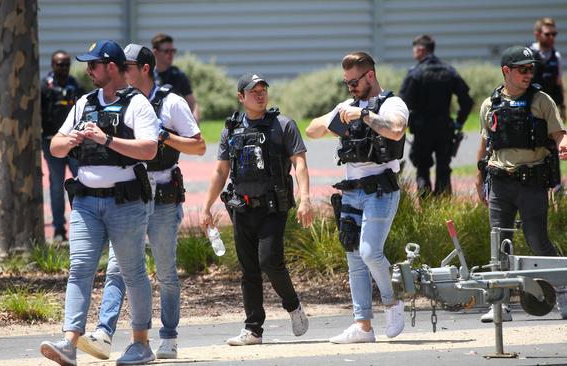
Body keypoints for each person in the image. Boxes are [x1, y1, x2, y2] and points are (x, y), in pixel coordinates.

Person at [76, 44, 205, 360]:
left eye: (127, 66)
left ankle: (169, 336)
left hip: (162, 197)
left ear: (144, 69)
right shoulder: (118, 102)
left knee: (165, 273)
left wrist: (165, 138)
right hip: (129, 196)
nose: (121, 70)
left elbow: (199, 147)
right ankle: (104, 333)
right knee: (117, 268)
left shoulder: (171, 102)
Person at [38, 40, 159, 366]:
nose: (88, 70)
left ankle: (140, 344)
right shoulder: (83, 103)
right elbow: (56, 147)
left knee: (132, 273)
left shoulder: (137, 104)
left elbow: (149, 149)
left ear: (112, 67)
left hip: (126, 203)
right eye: (88, 64)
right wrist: (73, 138)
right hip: (86, 203)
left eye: (94, 64)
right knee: (79, 269)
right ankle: (69, 343)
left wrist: (105, 138)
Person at [199, 73, 314, 346]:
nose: (260, 95)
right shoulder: (231, 129)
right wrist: (206, 206)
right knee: (249, 270)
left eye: (263, 90)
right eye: (253, 91)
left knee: (269, 262)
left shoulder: (283, 125)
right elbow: (220, 170)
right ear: (241, 97)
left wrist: (306, 198)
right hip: (242, 208)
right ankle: (253, 330)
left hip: (274, 207)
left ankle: (293, 306)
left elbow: (299, 163)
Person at [306, 52, 408, 343]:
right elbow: (312, 130)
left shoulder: (392, 104)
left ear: (370, 76)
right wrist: (337, 118)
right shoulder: (346, 105)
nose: (350, 87)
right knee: (354, 258)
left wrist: (364, 115)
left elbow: (397, 130)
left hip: (380, 190)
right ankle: (363, 326)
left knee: (369, 252)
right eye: (346, 82)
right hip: (351, 191)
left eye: (354, 82)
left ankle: (392, 301)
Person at [476, 45, 567, 322]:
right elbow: (485, 144)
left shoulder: (542, 101)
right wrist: (480, 179)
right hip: (500, 181)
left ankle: (562, 294)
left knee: (537, 241)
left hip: (532, 182)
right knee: (500, 243)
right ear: (507, 71)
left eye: (531, 69)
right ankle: (499, 305)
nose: (529, 74)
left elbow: (559, 134)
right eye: (523, 69)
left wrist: (563, 145)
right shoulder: (490, 104)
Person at [399, 34, 474, 196]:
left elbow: (403, 104)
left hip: (422, 129)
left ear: (420, 49)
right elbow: (467, 102)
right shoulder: (449, 71)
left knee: (422, 169)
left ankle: (426, 208)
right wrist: (459, 123)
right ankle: (443, 210)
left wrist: (407, 123)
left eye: (415, 49)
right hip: (444, 128)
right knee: (443, 170)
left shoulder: (415, 74)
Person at [40, 50, 85, 242]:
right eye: (60, 64)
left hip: (75, 144)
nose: (64, 67)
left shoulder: (76, 86)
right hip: (52, 144)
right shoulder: (43, 87)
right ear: (52, 65)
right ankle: (59, 228)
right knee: (57, 187)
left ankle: (82, 226)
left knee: (82, 182)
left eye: (67, 64)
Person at [151, 33, 200, 121]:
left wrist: (195, 121)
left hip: (174, 122)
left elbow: (192, 102)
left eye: (172, 51)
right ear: (155, 52)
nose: (170, 54)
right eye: (166, 51)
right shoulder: (148, 75)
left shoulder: (178, 75)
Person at [530, 17, 565, 120]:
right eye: (547, 34)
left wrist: (562, 107)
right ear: (537, 34)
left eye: (554, 34)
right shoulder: (529, 54)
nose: (551, 37)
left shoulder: (556, 56)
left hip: (551, 105)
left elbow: (559, 83)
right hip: (532, 104)